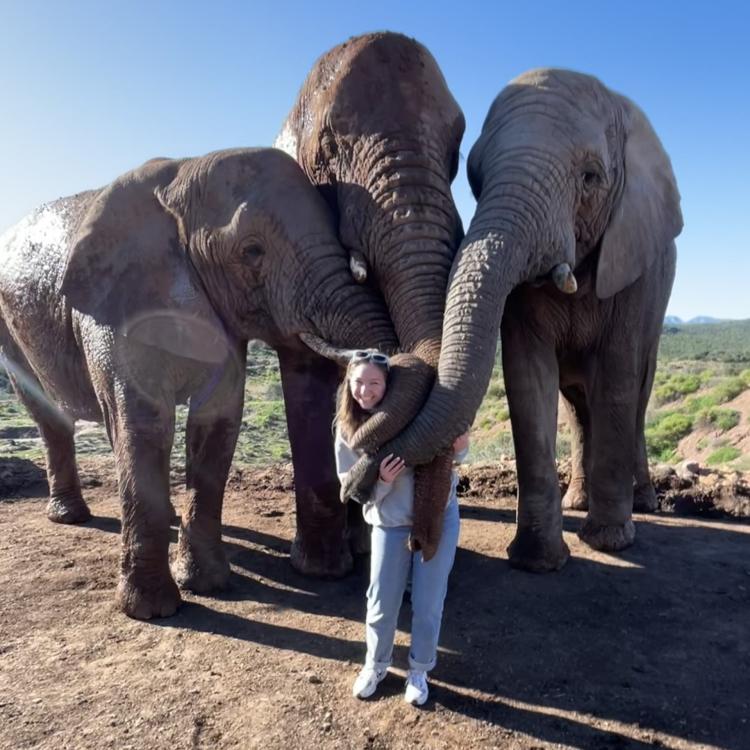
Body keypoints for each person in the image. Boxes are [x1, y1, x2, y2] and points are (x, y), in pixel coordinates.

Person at [334, 349, 469, 706]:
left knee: (428, 603)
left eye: (374, 383)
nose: (366, 391)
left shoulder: (418, 413)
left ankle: (419, 670)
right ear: (348, 384)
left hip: (438, 518)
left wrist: (462, 445)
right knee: (381, 601)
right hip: (388, 525)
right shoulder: (348, 430)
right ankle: (376, 665)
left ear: (389, 386)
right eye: (359, 382)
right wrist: (382, 482)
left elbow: (453, 458)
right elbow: (350, 486)